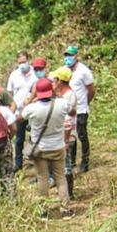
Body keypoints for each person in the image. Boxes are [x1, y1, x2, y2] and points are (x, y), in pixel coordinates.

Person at [20, 78, 73, 219]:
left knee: (42, 178)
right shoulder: (62, 104)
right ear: (52, 90)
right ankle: (66, 209)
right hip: (57, 146)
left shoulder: (32, 109)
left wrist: (33, 98)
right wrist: (57, 93)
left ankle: (43, 211)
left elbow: (22, 116)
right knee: (60, 177)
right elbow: (72, 110)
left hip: (40, 148)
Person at [64, 46, 95, 173]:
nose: (68, 58)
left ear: (76, 56)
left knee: (82, 134)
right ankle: (71, 160)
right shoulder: (65, 71)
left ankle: (85, 161)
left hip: (81, 108)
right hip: (68, 108)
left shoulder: (84, 71)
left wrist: (85, 102)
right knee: (70, 134)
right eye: (66, 55)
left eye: (70, 55)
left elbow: (91, 90)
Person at [52, 66, 78, 200]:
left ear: (60, 81)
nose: (53, 82)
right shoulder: (62, 95)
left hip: (67, 136)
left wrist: (65, 141)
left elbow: (67, 121)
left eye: (55, 80)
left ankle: (67, 193)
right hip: (62, 136)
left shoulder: (68, 96)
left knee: (65, 166)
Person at [6, 52, 35, 170]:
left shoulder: (35, 74)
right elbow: (10, 93)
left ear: (29, 60)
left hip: (34, 111)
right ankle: (18, 163)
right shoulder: (14, 75)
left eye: (24, 62)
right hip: (18, 112)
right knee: (18, 139)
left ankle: (36, 159)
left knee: (36, 136)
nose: (22, 64)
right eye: (20, 63)